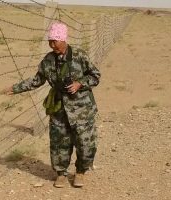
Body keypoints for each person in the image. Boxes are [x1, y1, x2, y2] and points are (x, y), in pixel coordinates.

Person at [5, 22, 101, 188]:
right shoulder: (48, 60)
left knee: (86, 144)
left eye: (55, 41)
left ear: (63, 39)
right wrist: (16, 88)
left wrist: (80, 83)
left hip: (82, 110)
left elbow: (95, 75)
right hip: (59, 109)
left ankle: (80, 172)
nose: (52, 45)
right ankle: (61, 173)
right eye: (50, 41)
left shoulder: (79, 55)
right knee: (59, 144)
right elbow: (37, 80)